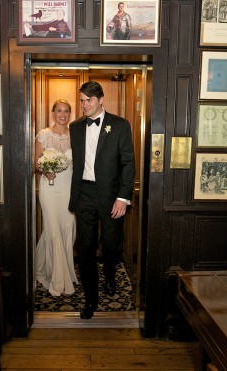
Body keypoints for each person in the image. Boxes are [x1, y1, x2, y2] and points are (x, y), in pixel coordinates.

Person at [69, 81, 135, 319]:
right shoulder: (75, 127)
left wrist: (123, 198)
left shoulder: (119, 125)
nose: (84, 105)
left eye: (89, 100)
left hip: (111, 196)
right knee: (85, 248)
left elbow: (128, 163)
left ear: (101, 100)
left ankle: (109, 275)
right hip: (84, 193)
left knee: (111, 244)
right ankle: (90, 299)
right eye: (82, 100)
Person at [35, 99, 78, 296]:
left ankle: (64, 270)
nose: (63, 114)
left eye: (66, 111)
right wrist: (46, 170)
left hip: (69, 188)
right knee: (52, 229)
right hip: (49, 189)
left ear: (70, 114)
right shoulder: (43, 135)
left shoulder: (76, 135)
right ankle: (57, 278)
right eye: (59, 110)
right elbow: (37, 163)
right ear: (53, 113)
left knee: (68, 228)